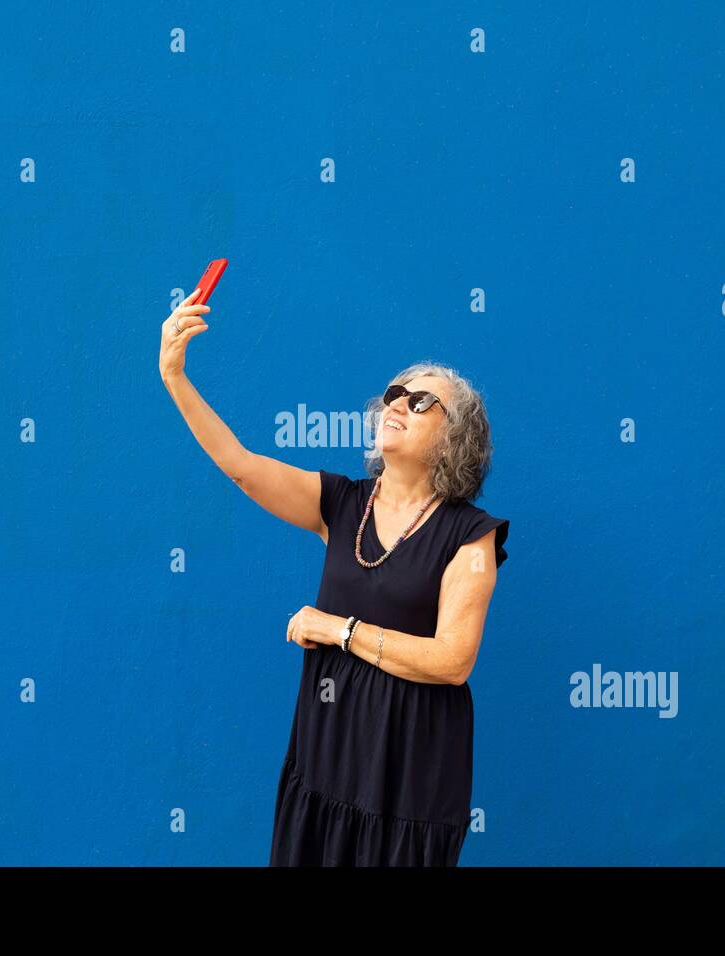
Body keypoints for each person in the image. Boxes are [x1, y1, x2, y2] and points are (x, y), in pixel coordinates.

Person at [159, 288, 509, 866]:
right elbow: (242, 467)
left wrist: (338, 629)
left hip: (408, 781)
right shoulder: (341, 503)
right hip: (325, 760)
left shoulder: (471, 535)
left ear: (456, 439)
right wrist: (175, 376)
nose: (396, 403)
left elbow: (453, 660)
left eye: (420, 401)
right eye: (395, 393)